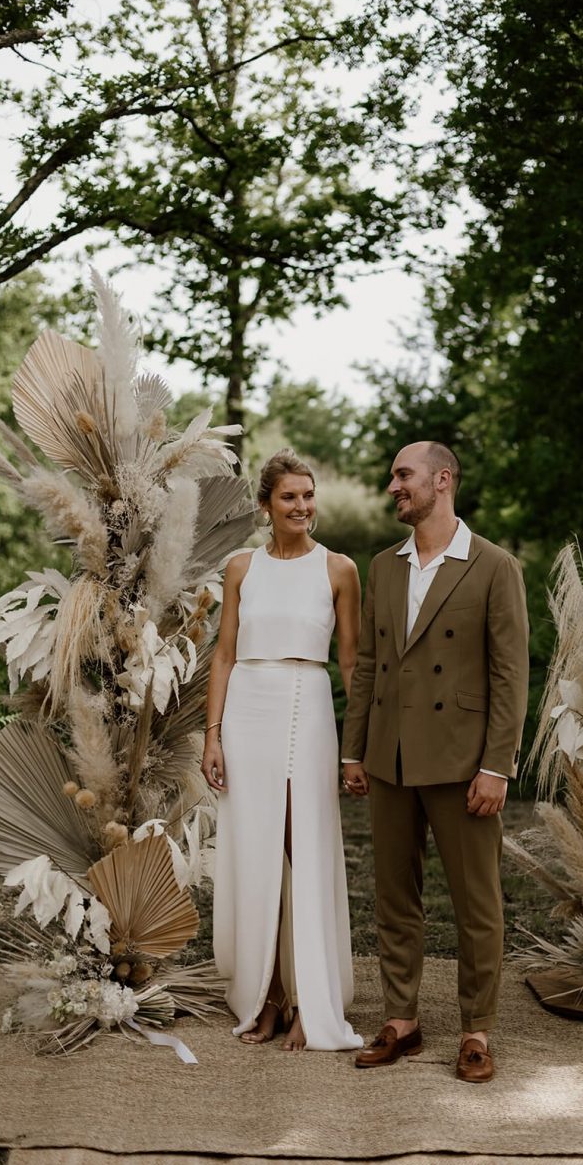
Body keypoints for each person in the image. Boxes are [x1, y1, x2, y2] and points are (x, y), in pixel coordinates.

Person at [341, 441, 529, 1082]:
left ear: (441, 480)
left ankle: (476, 1030)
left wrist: (497, 765)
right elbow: (367, 666)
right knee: (395, 896)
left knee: (477, 902)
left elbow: (511, 675)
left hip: (462, 760)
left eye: (404, 475)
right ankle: (402, 1020)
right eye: (394, 475)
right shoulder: (384, 566)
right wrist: (355, 749)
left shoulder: (493, 565)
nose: (393, 485)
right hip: (390, 756)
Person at [202, 449, 363, 1052]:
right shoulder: (240, 567)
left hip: (309, 703)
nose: (302, 506)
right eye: (289, 497)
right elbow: (222, 654)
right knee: (257, 850)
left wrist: (358, 746)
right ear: (266, 505)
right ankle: (265, 997)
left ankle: (308, 1003)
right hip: (248, 706)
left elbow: (350, 662)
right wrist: (212, 735)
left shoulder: (339, 569)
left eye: (308, 495)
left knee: (304, 847)